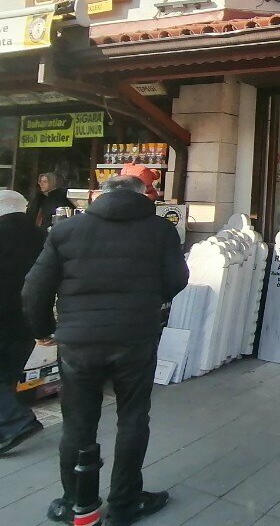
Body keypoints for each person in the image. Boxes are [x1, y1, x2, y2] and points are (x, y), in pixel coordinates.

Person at [22, 175, 188, 525]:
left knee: (78, 425)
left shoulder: (67, 231)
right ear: (144, 195)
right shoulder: (159, 230)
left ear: (100, 196)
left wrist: (44, 331)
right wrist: (150, 302)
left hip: (78, 342)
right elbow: (177, 279)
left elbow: (34, 289)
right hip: (135, 338)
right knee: (132, 419)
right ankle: (125, 504)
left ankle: (78, 503)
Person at [0, 190, 47, 455]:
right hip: (28, 317)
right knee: (7, 374)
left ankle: (16, 421)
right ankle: (7, 427)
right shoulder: (43, 236)